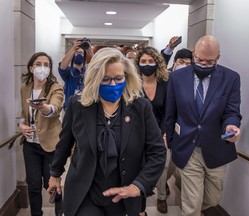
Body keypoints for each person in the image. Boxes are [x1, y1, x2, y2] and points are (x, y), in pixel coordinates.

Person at [47, 47, 166, 216]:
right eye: (106, 79)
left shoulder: (141, 108)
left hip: (123, 194)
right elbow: (65, 143)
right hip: (85, 192)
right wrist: (55, 174)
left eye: (118, 78)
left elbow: (158, 152)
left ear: (127, 77)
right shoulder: (78, 105)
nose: (113, 85)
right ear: (95, 79)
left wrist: (138, 185)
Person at [165, 35, 242, 216]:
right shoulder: (177, 77)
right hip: (187, 146)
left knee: (213, 199)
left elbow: (232, 111)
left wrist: (231, 126)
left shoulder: (231, 78)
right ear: (193, 54)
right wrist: (171, 142)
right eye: (199, 60)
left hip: (216, 146)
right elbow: (171, 113)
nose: (203, 64)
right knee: (192, 205)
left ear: (218, 58)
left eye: (210, 62)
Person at [18, 52, 64, 216]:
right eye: (38, 64)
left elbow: (55, 108)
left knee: (52, 185)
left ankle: (60, 213)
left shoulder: (55, 87)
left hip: (51, 145)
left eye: (46, 64)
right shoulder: (25, 88)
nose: (42, 68)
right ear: (31, 68)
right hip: (31, 145)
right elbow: (23, 114)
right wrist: (21, 125)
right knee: (33, 185)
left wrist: (42, 107)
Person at [134, 46, 169, 214]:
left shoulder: (165, 84)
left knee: (162, 169)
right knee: (138, 171)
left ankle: (162, 196)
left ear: (157, 63)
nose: (147, 64)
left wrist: (163, 133)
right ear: (137, 63)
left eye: (150, 61)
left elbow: (169, 111)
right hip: (137, 135)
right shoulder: (132, 84)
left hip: (160, 135)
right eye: (143, 61)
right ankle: (140, 209)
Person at [58, 39, 94, 109]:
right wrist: (73, 49)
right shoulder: (69, 71)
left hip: (87, 108)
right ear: (73, 55)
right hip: (70, 109)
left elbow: (99, 71)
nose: (79, 55)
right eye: (77, 53)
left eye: (81, 53)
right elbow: (62, 67)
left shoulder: (89, 71)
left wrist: (93, 56)